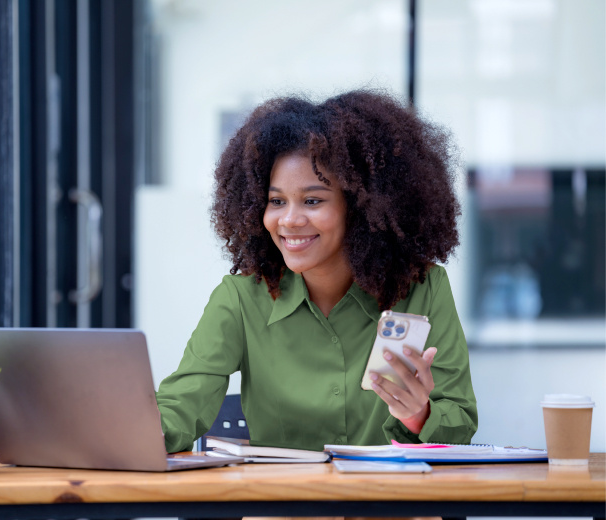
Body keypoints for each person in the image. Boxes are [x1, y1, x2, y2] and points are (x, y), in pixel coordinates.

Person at [155, 90, 477, 453]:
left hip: (391, 504)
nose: (290, 220)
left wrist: (419, 414)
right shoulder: (240, 298)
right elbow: (181, 406)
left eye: (312, 200)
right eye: (276, 201)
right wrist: (120, 430)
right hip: (283, 506)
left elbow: (459, 423)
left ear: (360, 206)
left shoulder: (422, 289)